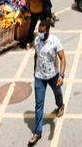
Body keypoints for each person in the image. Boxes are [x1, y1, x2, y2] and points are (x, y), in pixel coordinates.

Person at [30, 17, 66, 145]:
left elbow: (63, 59)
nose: (40, 34)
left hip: (53, 75)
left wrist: (61, 76)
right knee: (39, 105)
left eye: (42, 31)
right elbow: (36, 55)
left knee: (57, 93)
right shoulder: (37, 40)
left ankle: (60, 105)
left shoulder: (55, 41)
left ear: (48, 30)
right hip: (39, 76)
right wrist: (34, 72)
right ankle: (37, 132)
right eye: (39, 31)